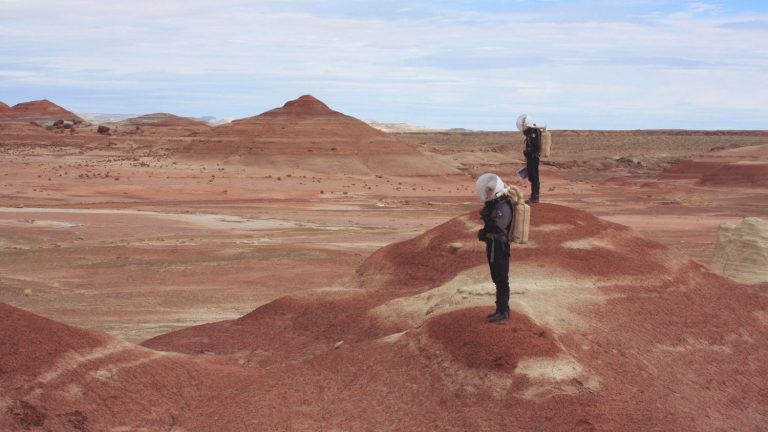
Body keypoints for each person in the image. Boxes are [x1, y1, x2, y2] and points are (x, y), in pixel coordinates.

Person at [475, 173, 513, 323]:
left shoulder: (503, 205)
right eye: (487, 190)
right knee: (497, 278)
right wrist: (484, 234)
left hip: (500, 247)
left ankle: (504, 311)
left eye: (490, 190)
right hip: (493, 246)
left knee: (502, 278)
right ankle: (499, 309)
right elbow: (491, 228)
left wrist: (487, 218)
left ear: (496, 189)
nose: (487, 192)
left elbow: (498, 226)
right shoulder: (494, 205)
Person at [517, 114, 541, 204]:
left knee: (534, 177)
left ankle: (535, 197)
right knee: (532, 177)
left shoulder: (533, 133)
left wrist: (528, 151)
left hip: (533, 158)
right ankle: (534, 196)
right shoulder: (531, 133)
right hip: (531, 158)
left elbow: (536, 146)